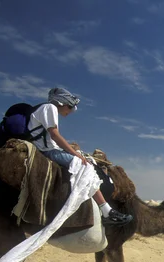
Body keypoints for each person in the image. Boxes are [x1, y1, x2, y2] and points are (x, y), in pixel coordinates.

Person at [28, 87, 132, 227]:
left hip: (50, 149)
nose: (69, 111)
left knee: (88, 161)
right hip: (48, 151)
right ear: (61, 103)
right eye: (69, 107)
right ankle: (106, 211)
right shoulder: (50, 108)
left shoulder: (46, 109)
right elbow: (55, 135)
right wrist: (75, 153)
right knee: (86, 167)